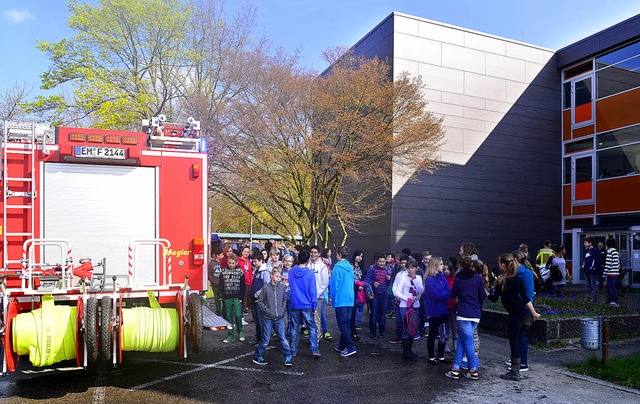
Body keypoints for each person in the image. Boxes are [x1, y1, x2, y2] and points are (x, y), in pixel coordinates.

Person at [489, 253, 541, 381]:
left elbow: (494, 299)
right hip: (522, 311)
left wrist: (484, 290)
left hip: (514, 314)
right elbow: (526, 298)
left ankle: (515, 371)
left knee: (514, 340)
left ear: (502, 265)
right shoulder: (517, 279)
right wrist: (534, 313)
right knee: (519, 337)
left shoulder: (502, 281)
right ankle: (517, 368)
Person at [445, 255, 486, 381]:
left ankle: (473, 370)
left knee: (467, 342)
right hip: (475, 314)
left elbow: (453, 294)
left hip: (463, 313)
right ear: (471, 265)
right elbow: (482, 296)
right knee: (463, 342)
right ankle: (455, 368)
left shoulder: (458, 279)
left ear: (460, 265)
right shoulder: (478, 278)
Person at [252, 267, 293, 366]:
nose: (278, 278)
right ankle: (257, 355)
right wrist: (268, 311)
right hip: (268, 318)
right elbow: (260, 302)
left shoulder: (282, 287)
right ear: (271, 276)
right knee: (265, 340)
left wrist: (282, 311)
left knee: (283, 338)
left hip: (279, 318)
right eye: (276, 276)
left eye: (280, 276)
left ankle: (288, 357)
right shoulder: (266, 288)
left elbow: (284, 301)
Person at [289, 249, 320, 358]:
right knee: (311, 326)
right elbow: (313, 291)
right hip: (307, 304)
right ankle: (314, 349)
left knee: (294, 327)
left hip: (295, 302)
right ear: (307, 260)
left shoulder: (291, 272)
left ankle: (293, 350)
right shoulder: (310, 273)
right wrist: (314, 305)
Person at [393, 259, 424, 361]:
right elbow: (397, 292)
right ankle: (406, 352)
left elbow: (421, 290)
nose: (410, 270)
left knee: (413, 328)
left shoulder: (418, 278)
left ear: (416, 268)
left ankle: (410, 351)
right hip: (405, 306)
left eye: (412, 268)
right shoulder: (403, 278)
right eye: (409, 268)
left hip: (415, 306)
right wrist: (407, 299)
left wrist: (414, 279)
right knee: (406, 328)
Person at [329, 245, 357, 357]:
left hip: (341, 299)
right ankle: (342, 345)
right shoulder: (350, 267)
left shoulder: (337, 267)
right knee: (346, 322)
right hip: (350, 298)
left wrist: (332, 296)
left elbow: (334, 284)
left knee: (342, 324)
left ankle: (350, 346)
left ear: (340, 254)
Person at [510, 250, 535, 372]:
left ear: (515, 260)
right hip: (520, 306)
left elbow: (528, 294)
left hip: (523, 307)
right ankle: (518, 358)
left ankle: (523, 362)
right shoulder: (520, 272)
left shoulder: (525, 273)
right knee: (518, 334)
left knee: (520, 334)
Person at [424, 256, 452, 365]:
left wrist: (443, 293)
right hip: (434, 310)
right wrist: (443, 293)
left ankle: (441, 356)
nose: (443, 266)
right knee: (433, 333)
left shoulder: (442, 277)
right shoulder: (429, 280)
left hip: (443, 310)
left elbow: (448, 291)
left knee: (444, 334)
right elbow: (436, 296)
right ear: (435, 266)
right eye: (440, 264)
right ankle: (431, 357)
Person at [218, 253, 246, 343]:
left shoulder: (240, 271)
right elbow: (220, 284)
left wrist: (242, 297)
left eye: (233, 263)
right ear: (227, 262)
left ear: (236, 263)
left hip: (237, 297)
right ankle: (231, 335)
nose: (231, 265)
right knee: (229, 316)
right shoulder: (224, 271)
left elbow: (243, 285)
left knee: (238, 315)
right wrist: (220, 295)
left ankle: (240, 331)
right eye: (229, 263)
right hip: (227, 297)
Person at [365, 252, 392, 339]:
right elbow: (366, 281)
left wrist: (389, 279)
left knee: (382, 314)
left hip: (384, 294)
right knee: (374, 314)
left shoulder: (386, 270)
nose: (382, 263)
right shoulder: (372, 270)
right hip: (374, 295)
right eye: (380, 261)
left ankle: (382, 332)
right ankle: (373, 332)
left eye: (383, 262)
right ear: (376, 261)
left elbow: (389, 284)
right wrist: (373, 283)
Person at [309, 245, 331, 341]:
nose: (313, 254)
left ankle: (316, 337)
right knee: (309, 318)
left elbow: (325, 282)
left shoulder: (322, 266)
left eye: (315, 252)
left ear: (319, 254)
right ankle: (312, 336)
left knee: (316, 318)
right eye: (312, 252)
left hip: (318, 297)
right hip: (308, 296)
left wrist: (317, 294)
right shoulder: (307, 265)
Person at [250, 251, 270, 346]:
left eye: (255, 261)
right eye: (253, 261)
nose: (254, 263)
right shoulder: (256, 270)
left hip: (260, 300)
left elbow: (266, 285)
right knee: (257, 320)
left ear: (261, 260)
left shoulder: (265, 271)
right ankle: (258, 338)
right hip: (255, 300)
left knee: (261, 321)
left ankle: (263, 340)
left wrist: (257, 294)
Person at [582, 236, 602, 303]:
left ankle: (594, 298)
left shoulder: (594, 250)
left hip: (592, 270)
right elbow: (585, 259)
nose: (584, 244)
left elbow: (598, 260)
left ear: (590, 243)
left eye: (585, 242)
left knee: (593, 284)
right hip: (586, 270)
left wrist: (594, 268)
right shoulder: (587, 250)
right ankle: (589, 297)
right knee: (588, 284)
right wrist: (583, 266)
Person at [350, 250, 366, 332]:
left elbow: (363, 278)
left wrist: (361, 285)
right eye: (358, 256)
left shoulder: (361, 267)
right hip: (352, 289)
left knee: (359, 306)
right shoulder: (350, 266)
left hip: (360, 289)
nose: (360, 258)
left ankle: (357, 323)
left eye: (361, 256)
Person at [281, 254, 294, 339]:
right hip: (282, 297)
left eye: (289, 261)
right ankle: (280, 333)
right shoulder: (281, 271)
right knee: (281, 316)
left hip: (291, 297)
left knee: (290, 317)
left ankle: (289, 333)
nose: (287, 263)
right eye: (286, 261)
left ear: (292, 262)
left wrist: (290, 284)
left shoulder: (294, 271)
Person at [604, 237, 620, 306]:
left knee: (610, 288)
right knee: (612, 287)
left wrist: (604, 273)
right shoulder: (616, 252)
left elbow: (608, 263)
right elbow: (618, 263)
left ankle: (614, 300)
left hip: (610, 273)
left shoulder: (609, 252)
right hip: (615, 272)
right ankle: (609, 300)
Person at [208, 248, 224, 315]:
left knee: (223, 299)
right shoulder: (211, 264)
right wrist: (214, 281)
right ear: (217, 255)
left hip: (223, 285)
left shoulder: (223, 263)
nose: (223, 256)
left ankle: (224, 311)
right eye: (222, 255)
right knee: (217, 299)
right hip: (215, 285)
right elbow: (209, 274)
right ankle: (218, 312)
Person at [237, 245, 253, 311]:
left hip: (248, 283)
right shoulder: (238, 261)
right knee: (241, 299)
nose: (246, 253)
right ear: (242, 252)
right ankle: (240, 315)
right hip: (241, 283)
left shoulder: (249, 261)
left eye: (248, 252)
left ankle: (242, 313)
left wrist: (251, 282)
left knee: (246, 298)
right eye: (245, 252)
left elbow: (250, 272)